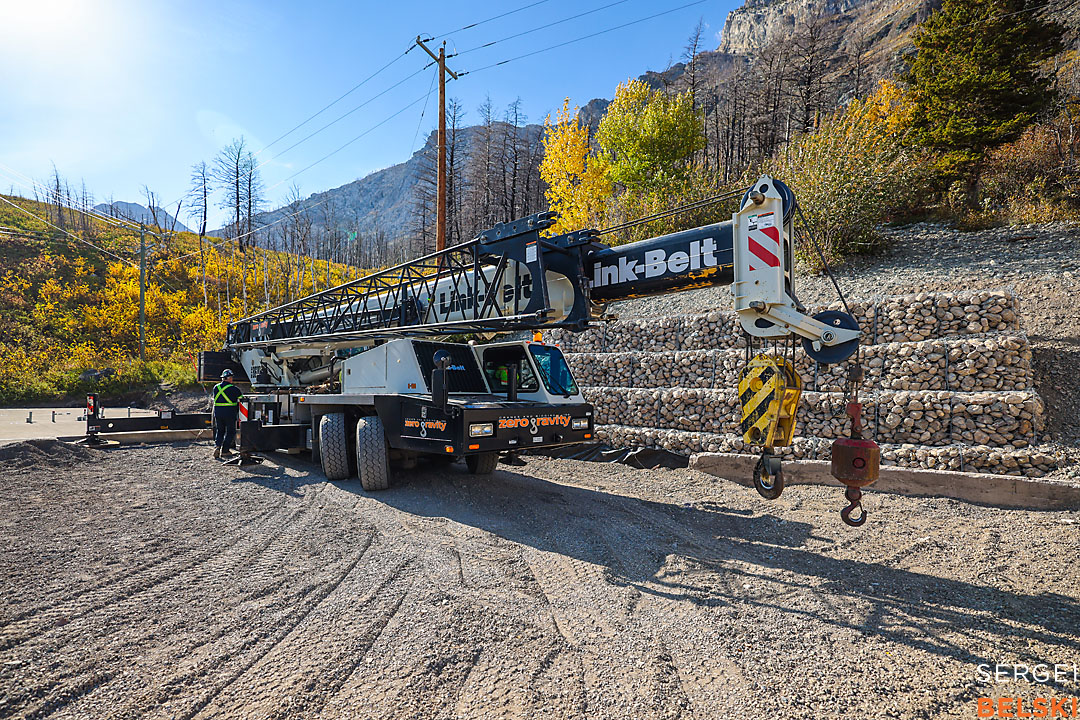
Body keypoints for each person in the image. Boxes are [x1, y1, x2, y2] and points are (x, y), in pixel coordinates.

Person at [211, 369, 243, 459]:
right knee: (230, 432)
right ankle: (225, 451)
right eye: (231, 377)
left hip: (218, 413)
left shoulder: (216, 387)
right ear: (229, 378)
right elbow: (242, 399)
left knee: (220, 430)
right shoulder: (234, 389)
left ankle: (217, 446)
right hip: (230, 413)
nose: (232, 379)